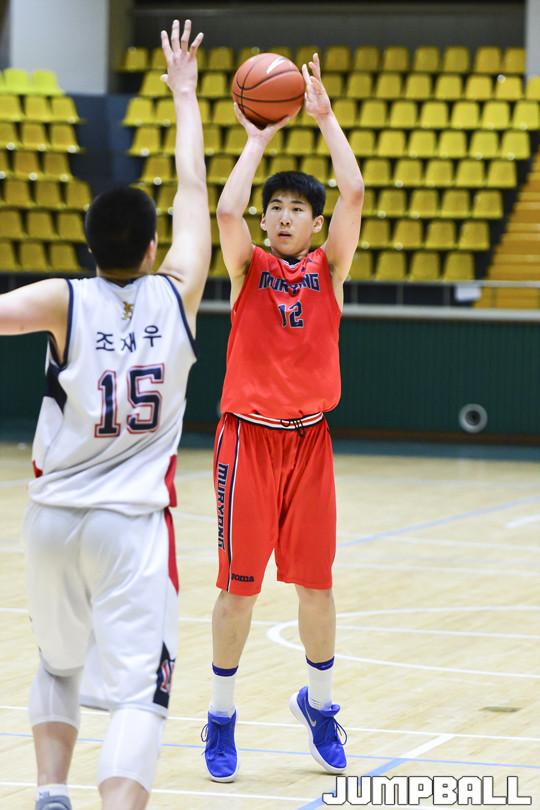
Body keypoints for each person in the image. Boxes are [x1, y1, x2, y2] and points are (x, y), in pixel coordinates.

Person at [0, 20, 210, 810]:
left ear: (90, 248)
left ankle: (50, 793)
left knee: (58, 664)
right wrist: (184, 95)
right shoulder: (178, 293)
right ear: (153, 248)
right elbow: (194, 192)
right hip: (131, 527)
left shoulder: (64, 300)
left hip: (52, 519)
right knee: (139, 695)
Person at [202, 54, 364, 781]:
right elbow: (225, 211)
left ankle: (320, 706)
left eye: (298, 209)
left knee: (317, 586)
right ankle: (220, 718)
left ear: (316, 223)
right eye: (277, 208)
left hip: (310, 443)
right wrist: (258, 137)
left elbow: (354, 190)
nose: (285, 217)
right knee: (238, 589)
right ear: (265, 220)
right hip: (249, 441)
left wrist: (324, 118)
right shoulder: (250, 269)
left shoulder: (330, 269)